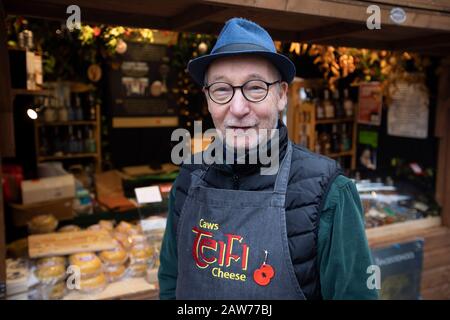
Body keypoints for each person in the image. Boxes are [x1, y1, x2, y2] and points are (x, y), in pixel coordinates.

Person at [158, 17, 378, 300]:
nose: (238, 108)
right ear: (208, 99)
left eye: (255, 87)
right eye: (222, 89)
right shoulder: (188, 179)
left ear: (282, 95)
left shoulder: (331, 193)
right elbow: (169, 284)